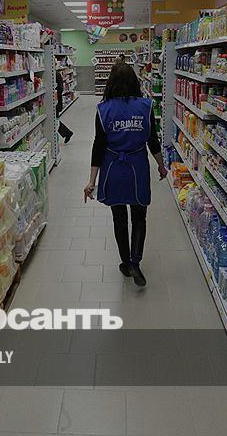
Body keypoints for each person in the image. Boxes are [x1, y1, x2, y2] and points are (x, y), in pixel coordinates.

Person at [83, 62, 167, 286]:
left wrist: (91, 181)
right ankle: (136, 262)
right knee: (139, 216)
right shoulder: (146, 107)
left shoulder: (103, 110)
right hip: (138, 167)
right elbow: (152, 141)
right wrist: (161, 165)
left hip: (113, 168)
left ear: (110, 83)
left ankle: (125, 261)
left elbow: (98, 146)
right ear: (135, 82)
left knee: (119, 217)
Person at [56, 67, 73, 143]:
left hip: (55, 103)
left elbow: (60, 89)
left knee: (54, 121)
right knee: (55, 120)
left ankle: (67, 133)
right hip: (56, 102)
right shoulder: (56, 74)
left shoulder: (56, 75)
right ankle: (67, 133)